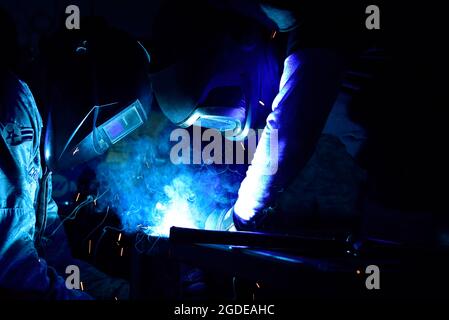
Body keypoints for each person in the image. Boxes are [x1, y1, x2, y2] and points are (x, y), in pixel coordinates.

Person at [0, 7, 129, 300]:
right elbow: (14, 273)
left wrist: (119, 292)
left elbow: (57, 261)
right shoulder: (12, 106)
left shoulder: (37, 146)